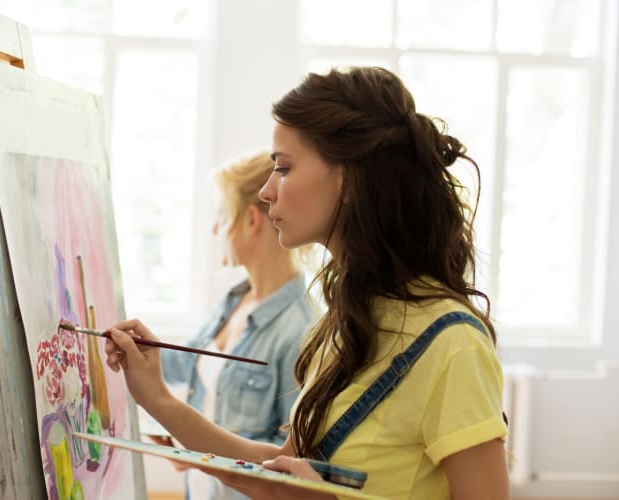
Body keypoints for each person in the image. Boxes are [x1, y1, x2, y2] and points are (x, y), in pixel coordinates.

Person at [104, 67, 509, 500]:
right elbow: (274, 473)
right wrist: (157, 398)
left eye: (283, 168)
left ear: (349, 178)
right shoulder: (345, 325)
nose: (265, 191)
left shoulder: (453, 344)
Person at [148, 151, 314, 500]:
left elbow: (292, 459)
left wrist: (200, 447)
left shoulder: (301, 330)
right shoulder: (232, 301)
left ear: (251, 220)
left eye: (221, 216)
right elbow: (183, 363)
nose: (214, 228)